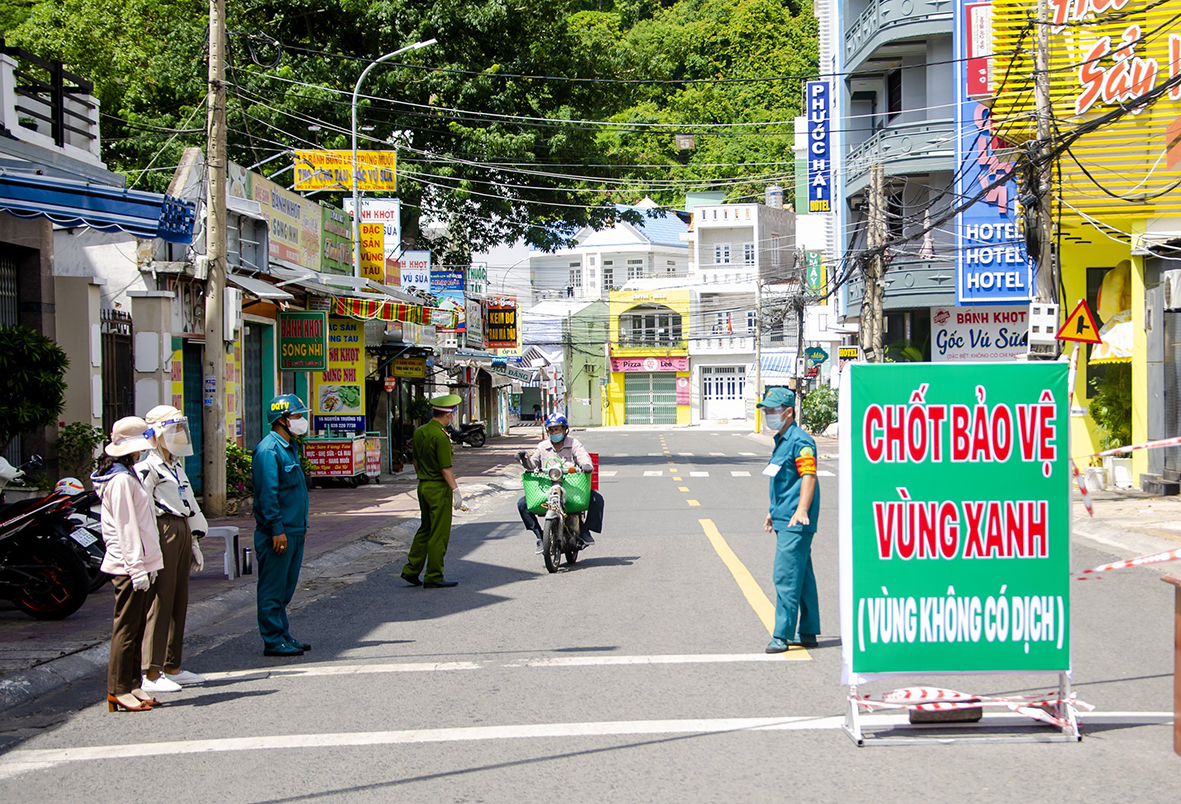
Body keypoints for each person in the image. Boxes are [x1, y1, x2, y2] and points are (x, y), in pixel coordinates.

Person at [92, 417, 162, 712]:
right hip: (128, 566)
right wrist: (137, 568)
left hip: (141, 562)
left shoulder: (127, 475)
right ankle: (118, 689)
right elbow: (127, 527)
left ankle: (133, 684)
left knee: (135, 629)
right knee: (126, 629)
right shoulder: (120, 480)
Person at [136, 406, 208, 694]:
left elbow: (188, 502)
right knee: (161, 601)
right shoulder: (147, 467)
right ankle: (151, 672)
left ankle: (172, 665)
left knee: (179, 599)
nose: (178, 434)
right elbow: (142, 511)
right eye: (172, 429)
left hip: (180, 529)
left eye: (180, 428)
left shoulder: (175, 466)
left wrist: (194, 540)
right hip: (161, 529)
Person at [758, 388, 821, 653]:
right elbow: (784, 481)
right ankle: (807, 632)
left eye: (773, 410)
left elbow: (809, 476)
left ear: (788, 412)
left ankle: (781, 635)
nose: (769, 415)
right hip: (785, 515)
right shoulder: (782, 440)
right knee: (802, 574)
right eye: (767, 410)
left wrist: (802, 510)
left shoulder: (800, 441)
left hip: (796, 519)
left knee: (784, 575)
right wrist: (773, 510)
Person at [253, 394, 312, 657]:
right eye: (297, 416)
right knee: (272, 589)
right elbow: (268, 495)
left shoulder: (289, 446)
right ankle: (273, 639)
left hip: (294, 530)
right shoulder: (268, 450)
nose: (302, 421)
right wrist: (277, 529)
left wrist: (301, 528)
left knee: (286, 589)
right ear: (282, 420)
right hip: (278, 532)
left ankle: (283, 634)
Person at [401, 394, 465, 588]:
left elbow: (415, 461)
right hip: (438, 488)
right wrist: (456, 490)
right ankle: (434, 574)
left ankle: (411, 569)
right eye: (452, 415)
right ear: (448, 416)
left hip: (423, 485)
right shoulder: (441, 436)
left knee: (425, 529)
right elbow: (446, 468)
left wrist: (423, 477)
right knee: (439, 532)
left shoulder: (420, 431)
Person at [516, 413, 604, 553]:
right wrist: (524, 459)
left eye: (557, 429)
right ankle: (539, 536)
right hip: (547, 488)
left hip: (571, 486)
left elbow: (583, 457)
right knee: (522, 504)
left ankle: (585, 531)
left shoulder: (573, 443)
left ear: (564, 430)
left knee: (596, 499)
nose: (554, 433)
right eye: (551, 430)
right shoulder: (542, 446)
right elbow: (532, 464)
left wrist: (586, 465)